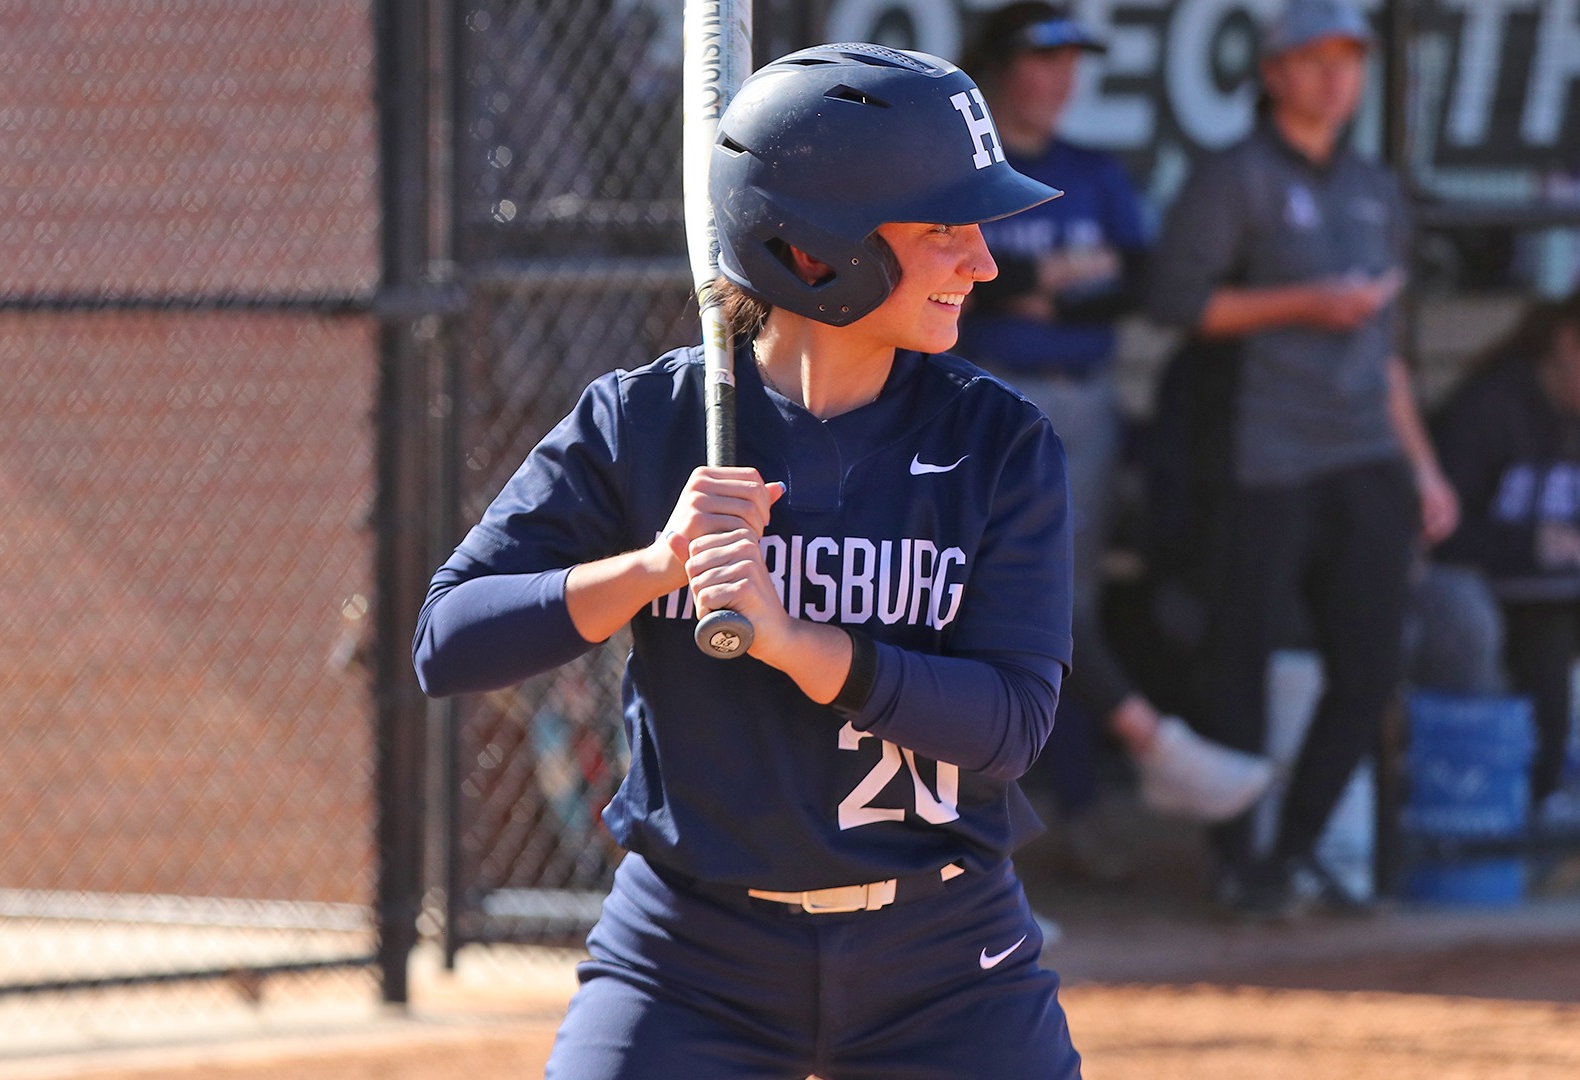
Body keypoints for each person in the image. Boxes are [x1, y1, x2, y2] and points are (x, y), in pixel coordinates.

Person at [414, 44, 1083, 1079]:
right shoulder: (646, 421)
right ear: (817, 250)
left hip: (946, 956)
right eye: (944, 230)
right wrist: (654, 567)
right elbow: (447, 642)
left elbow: (1011, 725)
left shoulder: (1000, 443)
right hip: (689, 952)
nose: (983, 262)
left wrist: (798, 643)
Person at [1146, 0, 1458, 917]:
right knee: (1237, 661)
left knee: (1369, 668)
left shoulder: (1374, 187)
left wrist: (1425, 468)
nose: (1335, 77)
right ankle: (1237, 861)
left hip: (1365, 452)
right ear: (1273, 72)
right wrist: (1304, 301)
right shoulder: (1233, 176)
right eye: (1315, 59)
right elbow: (1175, 303)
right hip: (1262, 455)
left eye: (1349, 60)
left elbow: (1387, 351)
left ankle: (1293, 851)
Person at [956, 0, 1272, 879]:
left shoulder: (1091, 171)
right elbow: (964, 280)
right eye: (1042, 60)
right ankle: (1000, 830)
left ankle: (1079, 808)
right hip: (985, 395)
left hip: (1084, 401)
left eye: (1071, 64)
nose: (1060, 80)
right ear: (997, 66)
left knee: (1065, 604)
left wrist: (1040, 288)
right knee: (984, 602)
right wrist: (1035, 279)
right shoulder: (965, 165)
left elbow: (1135, 282)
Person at [1427, 276, 1580, 828]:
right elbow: (1443, 530)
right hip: (1498, 590)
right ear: (1568, 344)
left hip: (1576, 586)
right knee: (1547, 633)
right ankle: (1540, 799)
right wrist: (1528, 543)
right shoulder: (1488, 406)